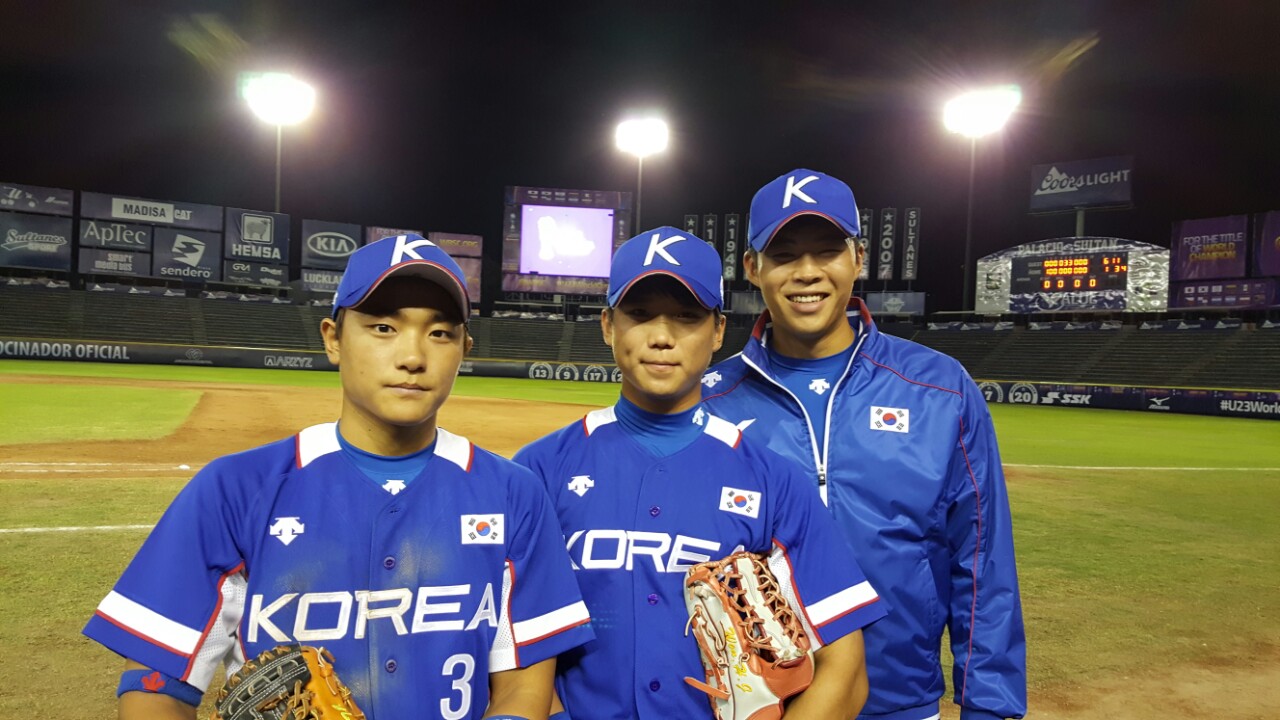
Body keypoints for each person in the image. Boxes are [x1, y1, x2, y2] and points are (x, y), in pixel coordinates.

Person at [84, 233, 593, 720]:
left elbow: (524, 686)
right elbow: (155, 689)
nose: (413, 357)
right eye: (383, 328)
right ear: (333, 339)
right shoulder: (233, 491)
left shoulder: (513, 494)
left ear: (465, 348)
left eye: (440, 333)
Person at [514, 227, 886, 720]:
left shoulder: (773, 481)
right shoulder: (538, 471)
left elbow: (845, 670)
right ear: (608, 326)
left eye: (687, 317)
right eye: (639, 315)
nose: (662, 337)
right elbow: (509, 656)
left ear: (717, 331)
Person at [700, 169, 1027, 720]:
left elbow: (983, 563)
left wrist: (990, 709)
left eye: (827, 251)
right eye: (784, 255)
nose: (807, 272)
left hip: (902, 701)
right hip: (760, 709)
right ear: (752, 268)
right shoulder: (709, 400)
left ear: (859, 258)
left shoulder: (938, 388)